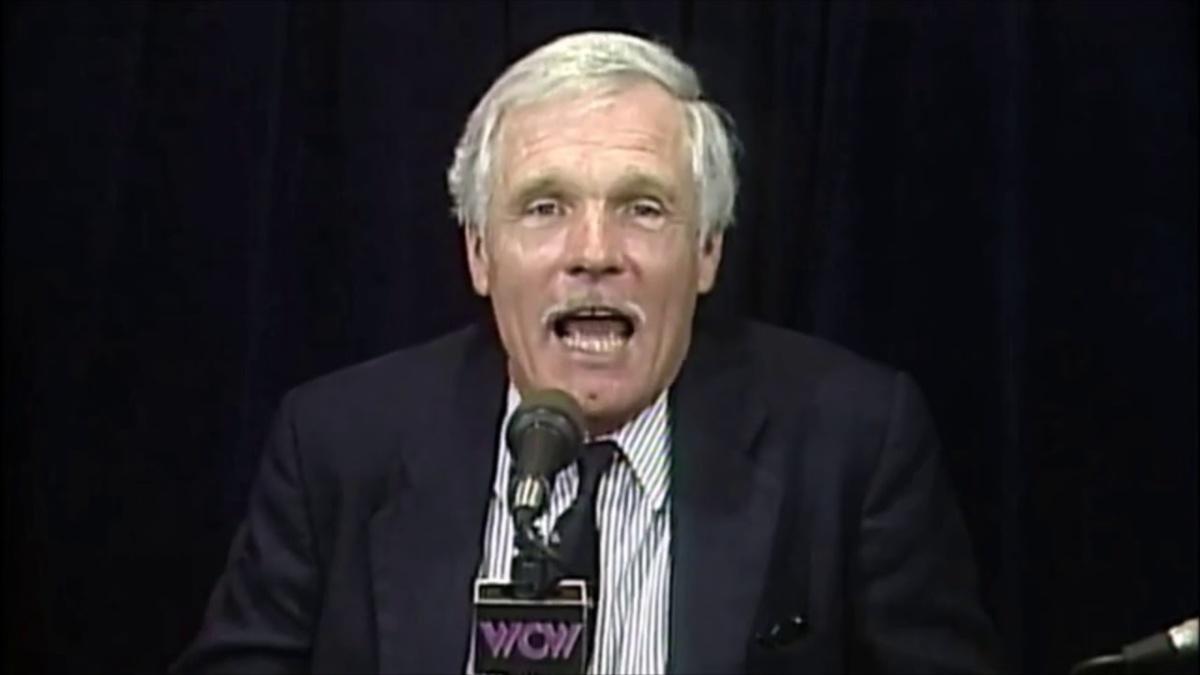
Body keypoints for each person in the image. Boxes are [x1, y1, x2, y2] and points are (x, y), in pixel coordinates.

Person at [173, 31, 1001, 674]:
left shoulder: (852, 440)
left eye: (643, 208)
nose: (594, 251)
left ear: (707, 250)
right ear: (479, 254)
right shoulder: (338, 446)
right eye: (544, 207)